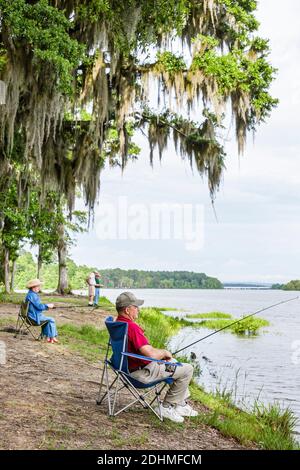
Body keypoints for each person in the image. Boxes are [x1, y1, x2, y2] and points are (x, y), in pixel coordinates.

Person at [115, 291, 198, 423]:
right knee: (188, 369)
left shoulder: (118, 324)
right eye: (135, 307)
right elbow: (150, 354)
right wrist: (164, 352)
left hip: (126, 370)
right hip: (141, 374)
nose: (138, 309)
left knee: (174, 362)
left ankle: (180, 404)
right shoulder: (131, 327)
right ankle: (166, 407)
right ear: (127, 310)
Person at [25, 279, 58, 344]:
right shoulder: (33, 295)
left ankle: (48, 337)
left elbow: (37, 306)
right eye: (38, 286)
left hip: (30, 315)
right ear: (33, 287)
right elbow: (39, 307)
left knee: (47, 320)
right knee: (51, 320)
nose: (39, 288)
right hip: (34, 318)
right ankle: (52, 337)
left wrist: (47, 306)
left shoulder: (30, 294)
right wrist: (48, 305)